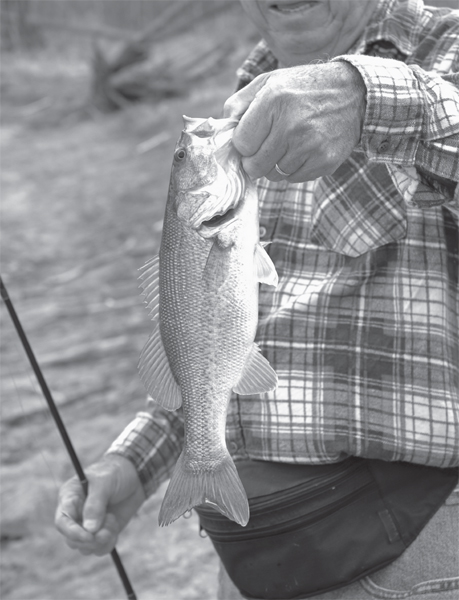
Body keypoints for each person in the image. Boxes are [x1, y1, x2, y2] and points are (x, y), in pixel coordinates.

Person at [56, 0, 459, 598]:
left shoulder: (443, 42)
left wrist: (371, 98)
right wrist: (136, 464)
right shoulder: (247, 96)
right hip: (258, 549)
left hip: (413, 545)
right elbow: (213, 334)